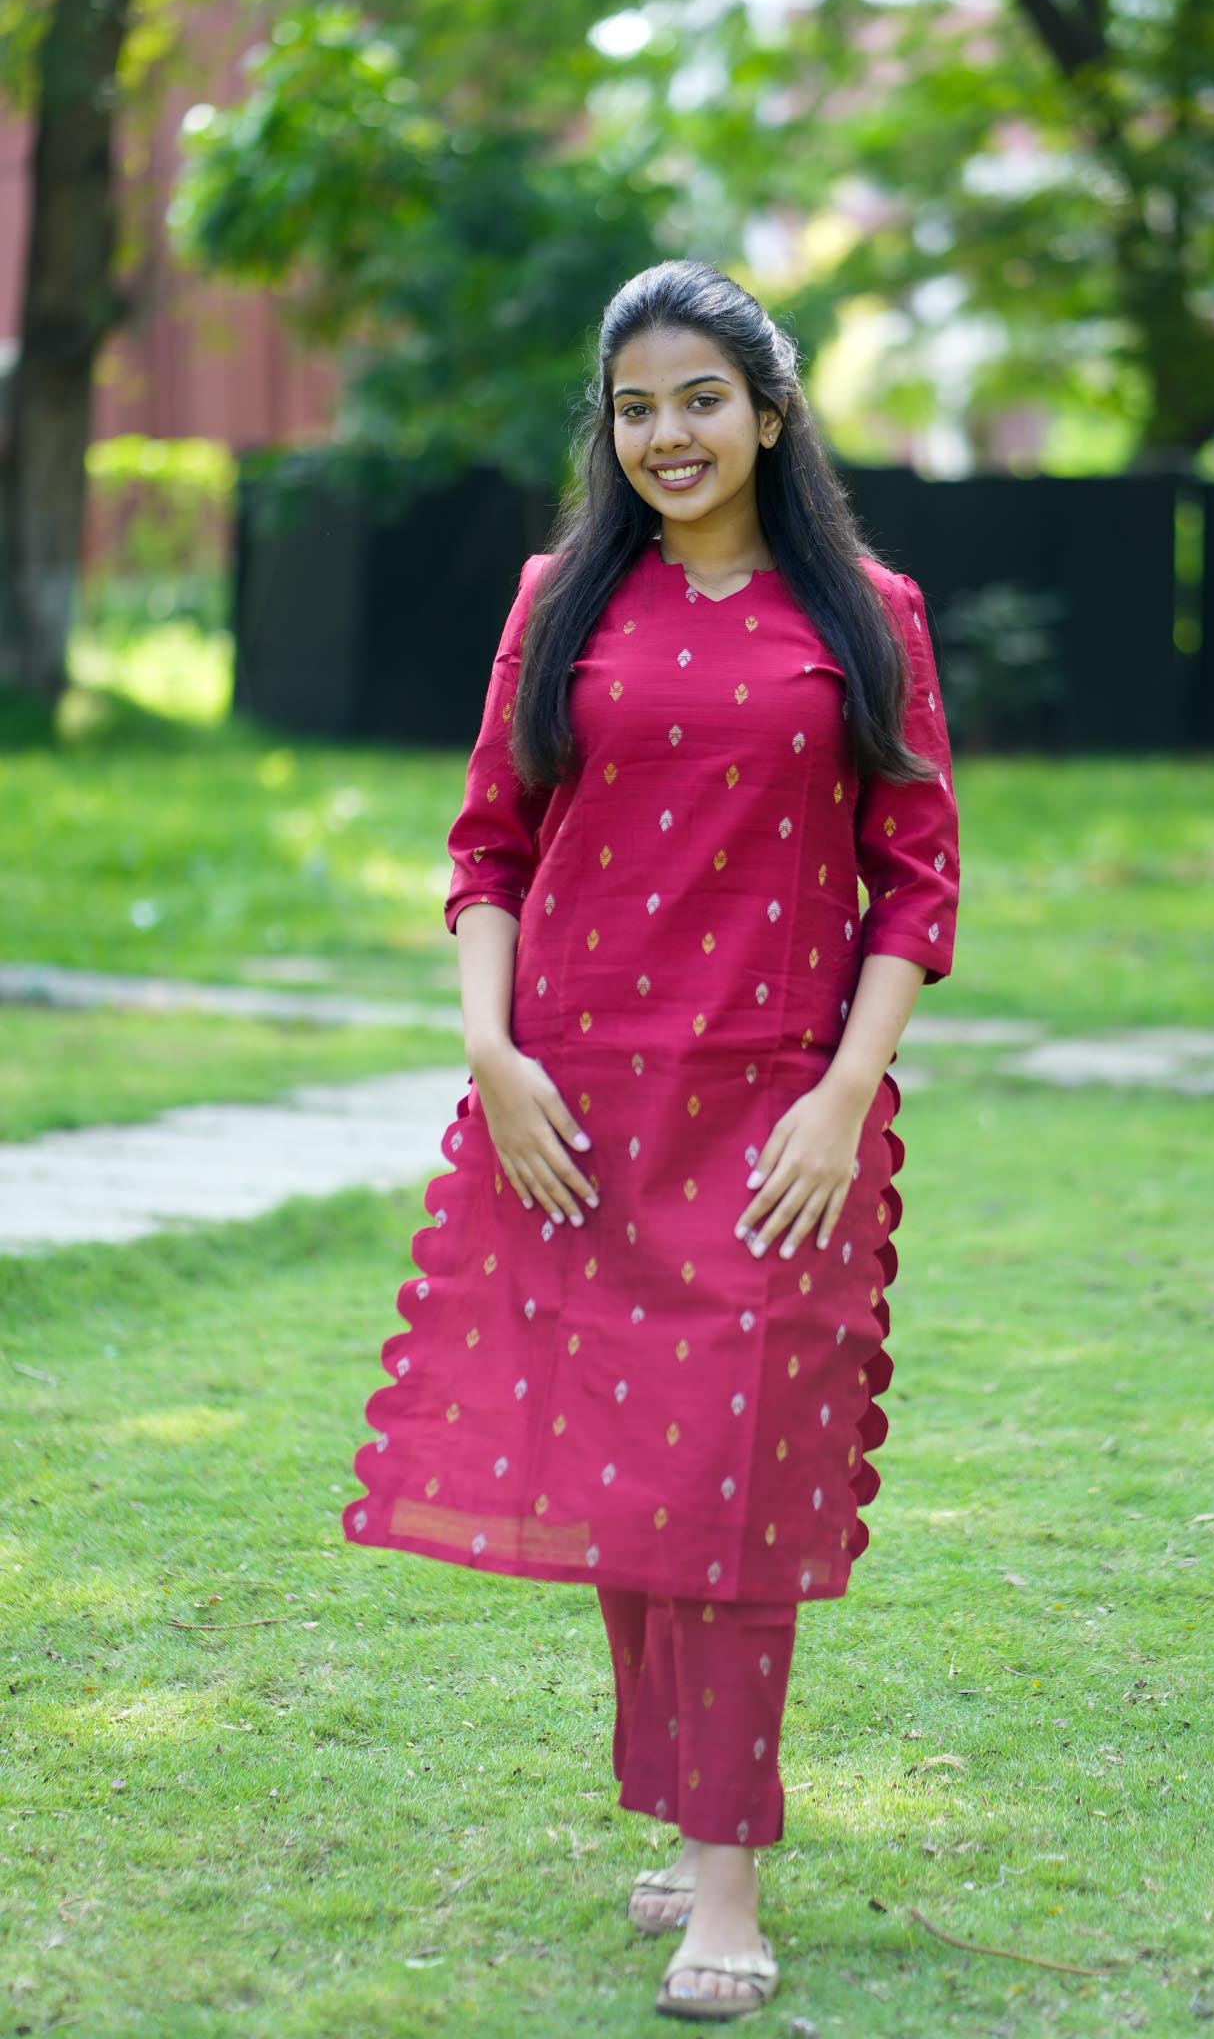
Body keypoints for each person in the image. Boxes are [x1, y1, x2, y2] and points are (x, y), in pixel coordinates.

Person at [342, 259, 960, 2022]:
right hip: (578, 1116)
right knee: (633, 1490)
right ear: (605, 433)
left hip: (775, 1118)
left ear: (769, 413)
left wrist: (846, 1095)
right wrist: (492, 1055)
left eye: (701, 399)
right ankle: (692, 1826)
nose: (667, 434)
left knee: (729, 1497)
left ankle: (726, 1890)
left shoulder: (868, 615)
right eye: (635, 407)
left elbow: (916, 880)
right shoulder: (557, 604)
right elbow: (489, 852)